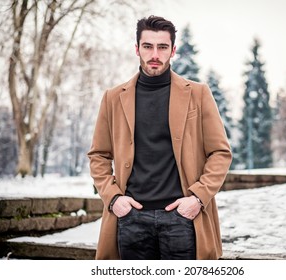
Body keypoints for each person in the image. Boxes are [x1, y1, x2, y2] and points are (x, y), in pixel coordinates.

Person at [88, 15, 232, 260]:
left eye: (162, 47)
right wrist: (113, 199)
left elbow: (220, 153)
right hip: (130, 218)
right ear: (137, 49)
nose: (155, 54)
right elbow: (99, 155)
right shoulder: (113, 98)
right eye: (148, 46)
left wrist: (197, 198)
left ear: (173, 50)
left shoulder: (198, 94)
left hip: (182, 218)